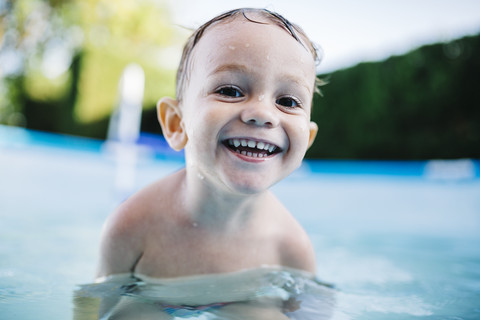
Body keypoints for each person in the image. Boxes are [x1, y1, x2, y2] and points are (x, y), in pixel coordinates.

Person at [95, 7, 321, 319]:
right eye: (230, 90)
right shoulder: (132, 226)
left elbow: (311, 311)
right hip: (152, 303)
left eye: (288, 101)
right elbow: (96, 304)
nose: (263, 114)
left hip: (247, 303)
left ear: (306, 142)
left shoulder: (290, 247)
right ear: (177, 124)